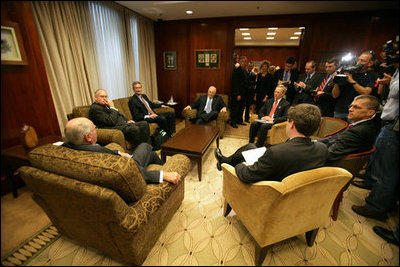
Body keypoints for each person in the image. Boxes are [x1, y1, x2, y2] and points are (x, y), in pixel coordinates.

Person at [214, 103, 328, 183]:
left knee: (242, 159)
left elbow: (246, 175)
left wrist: (241, 165)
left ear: (292, 124)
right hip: (282, 171)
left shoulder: (276, 152)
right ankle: (224, 161)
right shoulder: (322, 149)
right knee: (251, 146)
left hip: (268, 186)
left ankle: (226, 164)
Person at [351, 48, 398, 223]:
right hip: (388, 122)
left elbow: (394, 92)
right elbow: (383, 95)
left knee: (386, 170)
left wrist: (392, 81)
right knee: (380, 165)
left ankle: (376, 207)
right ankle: (378, 193)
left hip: (393, 126)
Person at [63, 117, 181, 184]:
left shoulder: (66, 148)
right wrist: (162, 175)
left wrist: (119, 153)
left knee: (148, 150)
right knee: (145, 146)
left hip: (121, 161)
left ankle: (162, 164)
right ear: (88, 137)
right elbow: (132, 174)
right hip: (128, 168)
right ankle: (164, 167)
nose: (97, 130)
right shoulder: (97, 152)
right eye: (95, 128)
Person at [317, 95, 380, 162]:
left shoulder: (359, 131)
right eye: (351, 106)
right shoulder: (359, 125)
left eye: (356, 107)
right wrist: (313, 143)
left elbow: (329, 154)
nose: (350, 109)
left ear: (370, 112)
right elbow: (334, 138)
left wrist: (308, 151)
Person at [332, 50, 378, 122]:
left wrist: (352, 81)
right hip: (341, 110)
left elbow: (366, 92)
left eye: (362, 61)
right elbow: (335, 95)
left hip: (358, 113)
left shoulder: (372, 75)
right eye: (358, 59)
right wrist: (337, 81)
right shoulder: (348, 72)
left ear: (370, 63)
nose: (358, 62)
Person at [230, 56, 248, 128]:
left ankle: (239, 120)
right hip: (238, 93)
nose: (244, 63)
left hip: (243, 93)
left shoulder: (245, 70)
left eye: (245, 61)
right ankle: (233, 122)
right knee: (235, 108)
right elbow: (235, 83)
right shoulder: (237, 70)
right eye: (243, 61)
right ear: (239, 62)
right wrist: (237, 94)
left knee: (241, 108)